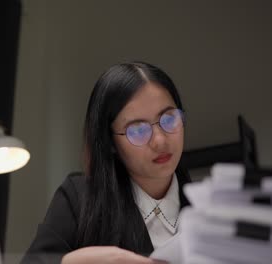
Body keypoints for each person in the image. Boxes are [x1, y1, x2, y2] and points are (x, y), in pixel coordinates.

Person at [21, 62, 191, 264]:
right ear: (110, 142)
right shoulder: (80, 198)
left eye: (169, 119)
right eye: (137, 130)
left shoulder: (213, 205)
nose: (160, 141)